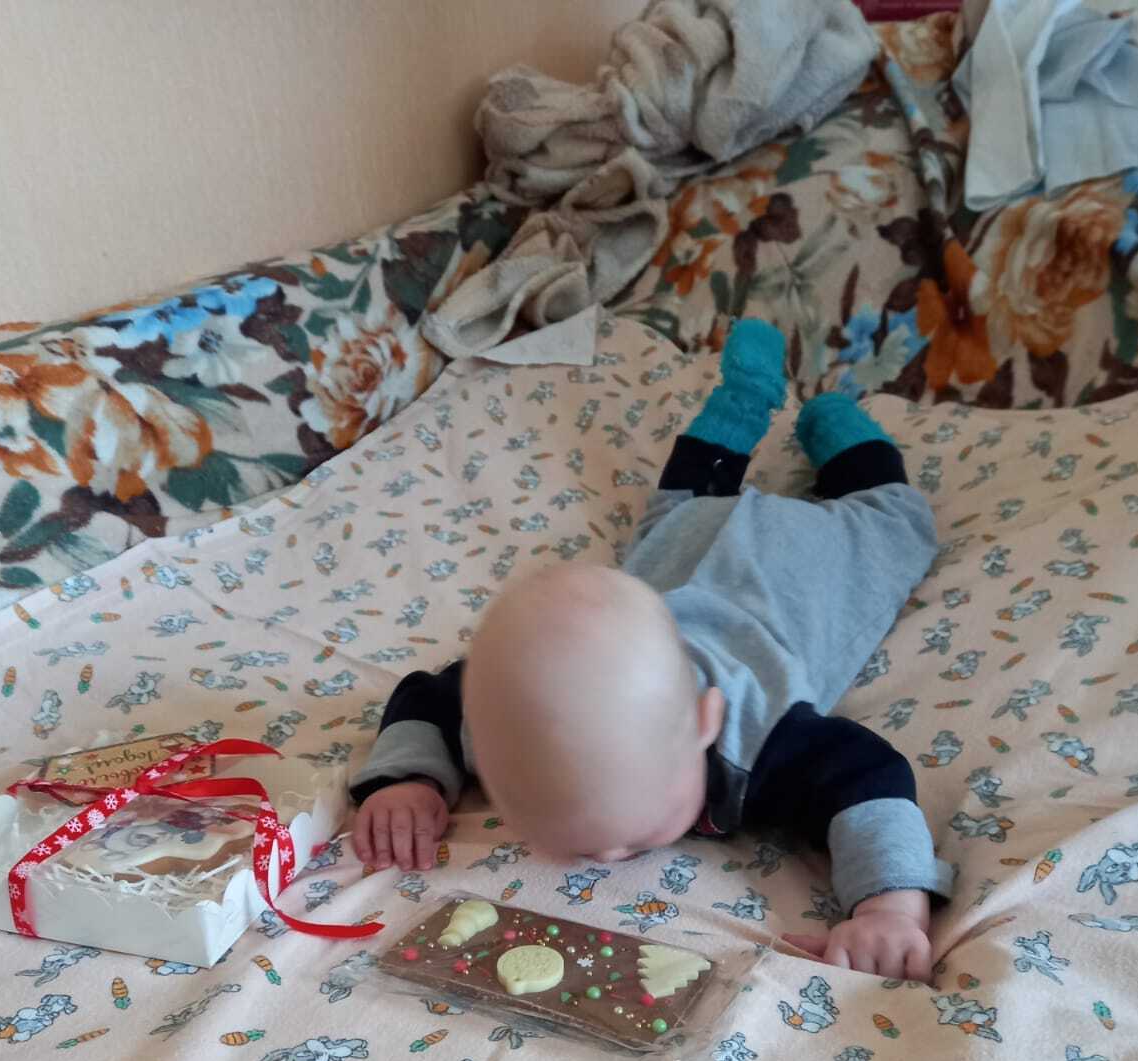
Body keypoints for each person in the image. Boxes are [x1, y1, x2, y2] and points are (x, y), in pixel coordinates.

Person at [350, 320, 953, 979]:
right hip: (689, 543)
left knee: (897, 518)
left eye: (638, 833)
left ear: (705, 723)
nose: (610, 857)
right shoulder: (511, 712)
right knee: (680, 510)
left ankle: (835, 420)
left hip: (800, 560)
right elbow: (429, 698)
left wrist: (889, 906)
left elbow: (870, 776)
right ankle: (742, 399)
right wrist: (408, 779)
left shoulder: (759, 738)